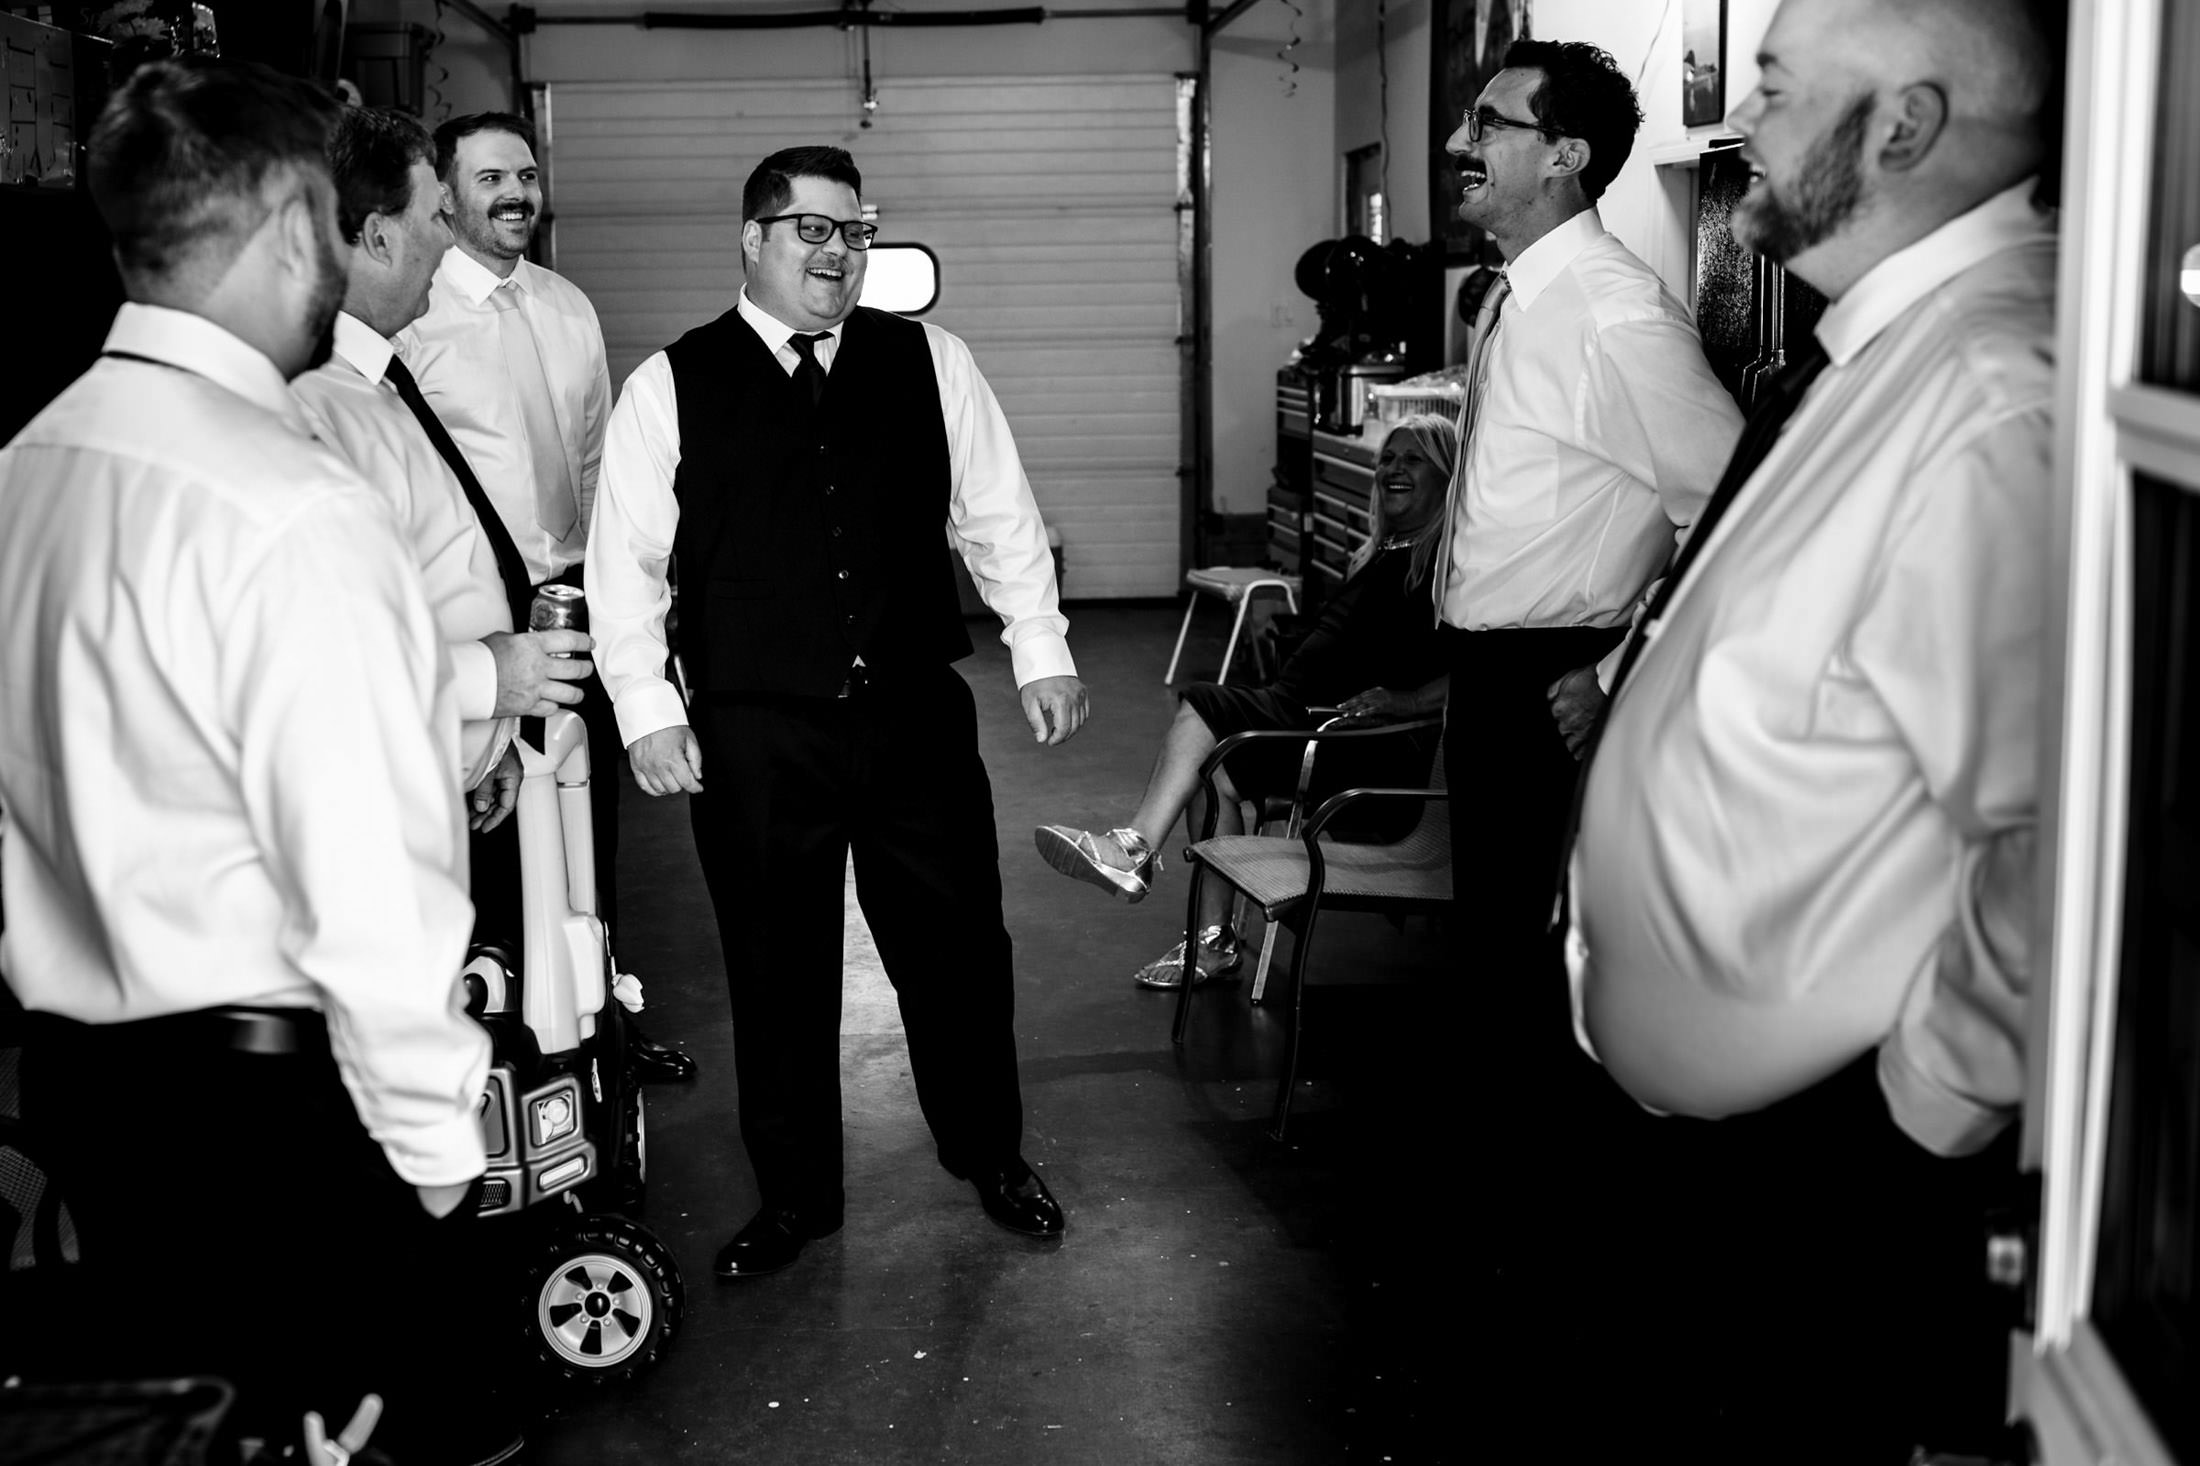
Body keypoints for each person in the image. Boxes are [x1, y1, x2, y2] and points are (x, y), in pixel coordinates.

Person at [0, 57, 511, 1465]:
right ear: (296, 228)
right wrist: (433, 1166)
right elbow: (369, 882)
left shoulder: (30, 464)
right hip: (274, 1124)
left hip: (85, 1096)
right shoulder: (288, 501)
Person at [1567, 0, 2058, 1457]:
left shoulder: (1990, 391)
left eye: (1775, 90)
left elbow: (2059, 839)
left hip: (1827, 1181)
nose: (1740, 129)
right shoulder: (1886, 352)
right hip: (1734, 1159)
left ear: (1902, 125)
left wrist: (1919, 1115)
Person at [589, 145, 1089, 1277]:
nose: (838, 253)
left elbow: (997, 513)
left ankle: (990, 1152)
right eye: (811, 230)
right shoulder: (670, 384)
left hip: (914, 711)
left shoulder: (932, 360)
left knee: (959, 948)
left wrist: (1041, 647)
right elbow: (626, 565)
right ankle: (796, 1195)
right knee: (775, 966)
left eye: (854, 232)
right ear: (753, 239)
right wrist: (643, 709)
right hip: (756, 729)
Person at [1434, 38, 1742, 1087]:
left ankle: (1561, 1219)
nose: (1455, 143)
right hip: (1485, 679)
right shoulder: (1516, 298)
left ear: (1565, 153)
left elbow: (1737, 517)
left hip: (1555, 686)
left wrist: (1615, 673)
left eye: (1486, 125)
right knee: (1495, 956)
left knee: (1551, 973)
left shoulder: (1617, 313)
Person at [398, 111, 693, 1082]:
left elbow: (605, 460)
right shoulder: (412, 322)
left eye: (525, 174)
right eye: (490, 178)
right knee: (486, 830)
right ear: (443, 193)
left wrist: (629, 595)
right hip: (476, 621)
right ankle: (501, 1036)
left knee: (586, 828)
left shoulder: (568, 306)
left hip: (575, 606)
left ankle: (601, 1013)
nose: (516, 193)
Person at [1034, 413, 1456, 988]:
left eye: (1413, 460)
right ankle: (1214, 942)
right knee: (1211, 773)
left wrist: (1407, 704)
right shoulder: (1384, 553)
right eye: (1388, 458)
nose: (1393, 469)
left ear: (1449, 476)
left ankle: (1131, 848)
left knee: (1205, 706)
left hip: (1352, 743)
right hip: (1305, 721)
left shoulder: (1446, 567)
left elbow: (1478, 672)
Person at [292, 105, 592, 836]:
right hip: (379, 798)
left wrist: (487, 747)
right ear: (377, 236)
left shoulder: (377, 382)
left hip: (476, 725)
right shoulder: (314, 403)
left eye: (524, 174)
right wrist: (491, 686)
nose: (444, 236)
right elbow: (320, 649)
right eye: (437, 213)